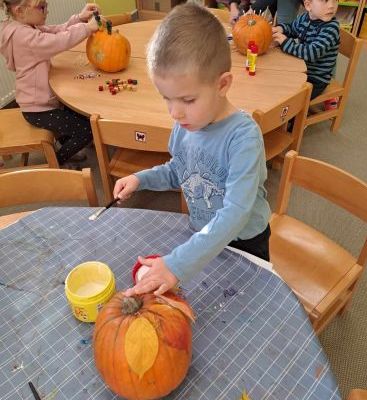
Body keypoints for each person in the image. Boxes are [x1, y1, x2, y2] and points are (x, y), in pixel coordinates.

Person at [114, 3, 271, 297]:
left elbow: (235, 214)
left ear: (222, 84)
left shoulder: (243, 138)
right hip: (201, 235)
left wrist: (177, 264)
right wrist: (140, 179)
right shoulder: (185, 123)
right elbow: (179, 170)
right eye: (166, 98)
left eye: (187, 100)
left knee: (245, 303)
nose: (175, 112)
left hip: (244, 243)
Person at [0, 1, 101, 167]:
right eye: (42, 7)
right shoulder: (23, 36)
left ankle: (64, 142)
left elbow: (56, 31)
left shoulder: (23, 27)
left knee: (79, 113)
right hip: (38, 109)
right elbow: (58, 41)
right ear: (20, 11)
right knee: (87, 130)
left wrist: (79, 18)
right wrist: (87, 28)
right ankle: (55, 162)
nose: (47, 10)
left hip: (39, 102)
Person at [272, 0, 339, 100]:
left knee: (289, 99)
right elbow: (292, 29)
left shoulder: (331, 28)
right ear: (308, 5)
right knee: (277, 80)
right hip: (301, 69)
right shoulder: (304, 18)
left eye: (335, 1)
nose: (331, 6)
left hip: (316, 79)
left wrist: (286, 42)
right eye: (325, 1)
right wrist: (282, 29)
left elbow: (311, 53)